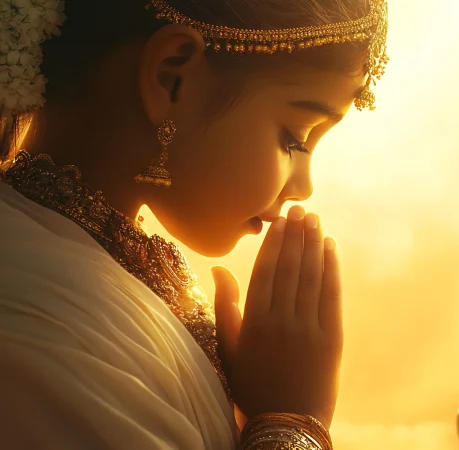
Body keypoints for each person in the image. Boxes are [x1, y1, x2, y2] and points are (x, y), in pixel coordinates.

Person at [0, 0, 388, 449]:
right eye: (295, 137)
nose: (304, 186)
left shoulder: (83, 260)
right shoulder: (38, 322)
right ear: (173, 77)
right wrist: (293, 421)